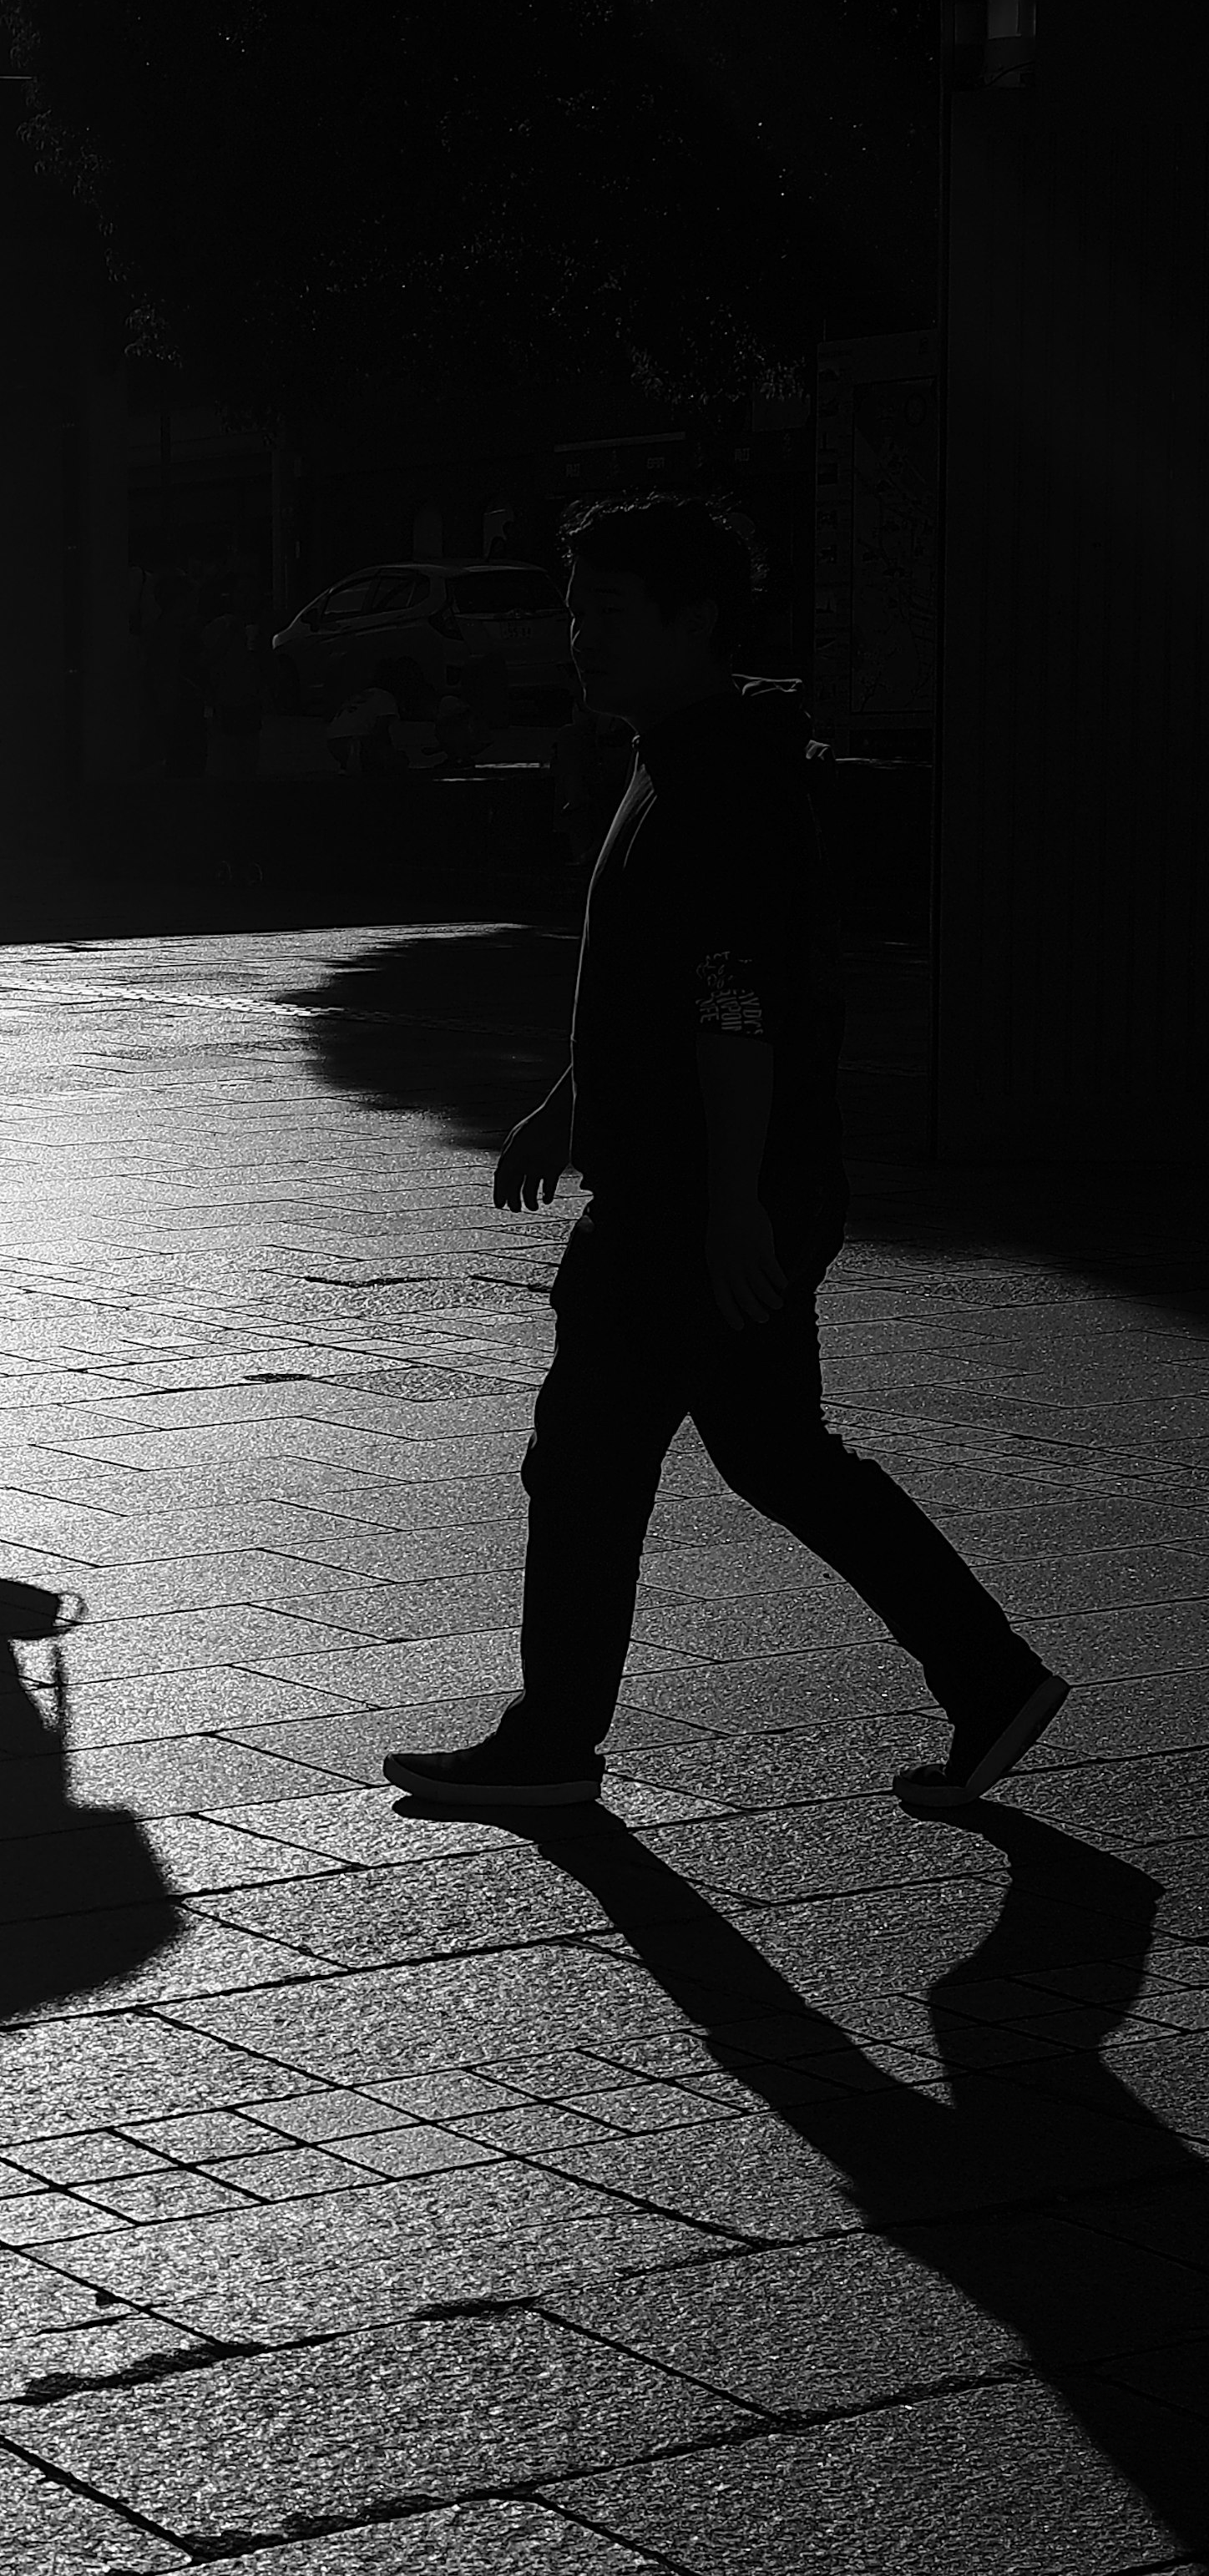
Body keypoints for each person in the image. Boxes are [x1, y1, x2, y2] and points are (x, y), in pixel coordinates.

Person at [388, 494, 1065, 1817]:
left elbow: (732, 1000)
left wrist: (736, 1205)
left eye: (613, 613)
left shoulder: (719, 777)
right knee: (767, 1455)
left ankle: (556, 1741)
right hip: (699, 1186)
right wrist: (569, 1097)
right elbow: (661, 985)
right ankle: (988, 1678)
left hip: (695, 1200)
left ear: (696, 620)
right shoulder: (676, 753)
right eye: (576, 611)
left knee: (593, 1458)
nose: (583, 638)